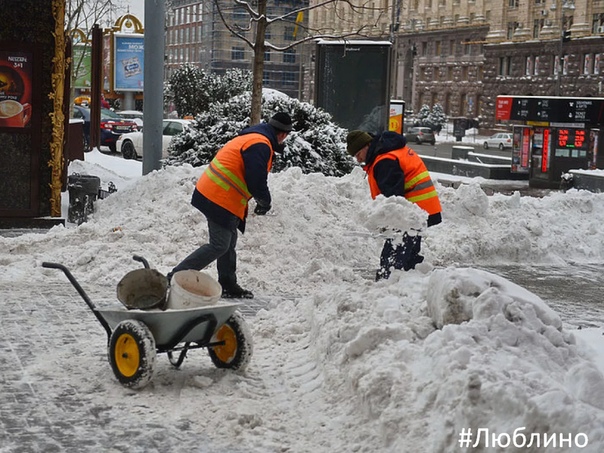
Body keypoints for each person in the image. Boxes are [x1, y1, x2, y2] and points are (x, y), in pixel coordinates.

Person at [167, 112, 293, 298]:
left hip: (219, 194)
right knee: (219, 244)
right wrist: (265, 202)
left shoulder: (254, 138)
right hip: (218, 195)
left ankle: (227, 283)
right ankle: (173, 277)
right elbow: (256, 180)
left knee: (229, 240)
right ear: (283, 134)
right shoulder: (260, 144)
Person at [346, 129, 442, 280]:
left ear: (366, 146)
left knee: (394, 256)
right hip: (421, 208)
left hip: (410, 213)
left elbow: (394, 198)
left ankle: (387, 284)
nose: (358, 160)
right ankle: (413, 283)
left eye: (358, 154)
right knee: (408, 254)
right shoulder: (389, 152)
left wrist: (388, 220)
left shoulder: (385, 161)